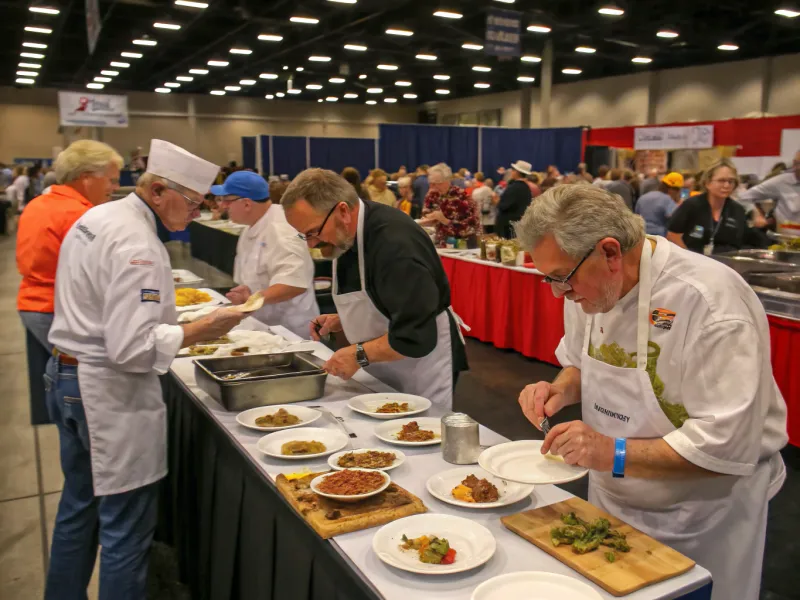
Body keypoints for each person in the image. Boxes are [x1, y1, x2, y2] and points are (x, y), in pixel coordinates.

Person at [515, 184, 786, 600]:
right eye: (549, 279)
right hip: (614, 492)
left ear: (609, 252)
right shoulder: (588, 286)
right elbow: (583, 363)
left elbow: (725, 447)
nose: (558, 292)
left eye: (561, 278)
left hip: (702, 509)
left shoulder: (710, 302)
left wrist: (612, 452)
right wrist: (558, 389)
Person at [45, 139, 245, 600]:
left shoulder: (98, 217)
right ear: (157, 192)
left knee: (78, 511)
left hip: (67, 375)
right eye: (193, 204)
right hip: (104, 391)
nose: (197, 214)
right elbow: (131, 349)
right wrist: (203, 328)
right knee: (124, 531)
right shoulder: (139, 244)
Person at [281, 168, 468, 407]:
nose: (312, 244)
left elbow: (415, 336)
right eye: (303, 236)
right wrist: (346, 319)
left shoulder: (396, 246)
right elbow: (381, 295)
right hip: (385, 364)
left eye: (313, 232)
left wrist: (358, 354)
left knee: (418, 431)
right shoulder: (347, 233)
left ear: (343, 211)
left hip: (419, 365)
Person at [16, 140, 123, 425]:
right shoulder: (80, 215)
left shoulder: (40, 203)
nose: (114, 189)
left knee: (61, 377)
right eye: (110, 181)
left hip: (34, 303)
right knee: (84, 390)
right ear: (87, 177)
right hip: (55, 307)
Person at [212, 170, 320, 337]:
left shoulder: (282, 230)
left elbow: (294, 284)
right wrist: (244, 294)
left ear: (247, 204)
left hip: (290, 332)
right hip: (263, 325)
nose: (222, 206)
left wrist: (253, 301)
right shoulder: (251, 228)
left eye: (226, 200)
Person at [667, 159, 752, 255]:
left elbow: (744, 242)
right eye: (721, 180)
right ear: (707, 183)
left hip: (726, 265)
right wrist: (689, 258)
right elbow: (672, 235)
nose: (726, 185)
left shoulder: (738, 210)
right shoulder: (691, 205)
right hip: (693, 262)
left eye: (731, 181)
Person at [738, 150, 800, 230]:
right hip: (787, 239)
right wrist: (755, 213)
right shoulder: (781, 182)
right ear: (794, 164)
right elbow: (743, 197)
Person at [423, 163, 481, 246]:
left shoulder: (462, 198)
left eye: (436, 183)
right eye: (430, 184)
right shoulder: (432, 195)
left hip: (462, 246)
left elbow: (472, 228)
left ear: (447, 181)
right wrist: (426, 220)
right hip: (440, 245)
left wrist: (445, 220)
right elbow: (426, 213)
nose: (432, 187)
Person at [494, 160, 533, 239]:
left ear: (517, 172)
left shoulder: (514, 187)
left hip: (507, 226)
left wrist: (496, 201)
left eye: (513, 170)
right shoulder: (526, 188)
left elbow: (503, 206)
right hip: (518, 224)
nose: (512, 171)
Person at [634, 172, 683, 236]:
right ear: (672, 190)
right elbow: (675, 220)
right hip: (659, 238)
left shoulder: (643, 197)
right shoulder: (668, 200)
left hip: (641, 236)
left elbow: (636, 216)